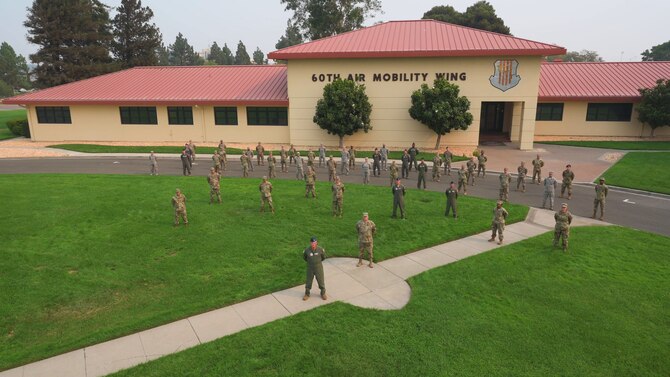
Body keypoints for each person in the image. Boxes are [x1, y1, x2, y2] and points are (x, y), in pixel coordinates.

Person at [303, 236, 327, 301]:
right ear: (310, 243)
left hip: (318, 268)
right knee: (308, 281)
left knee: (321, 280)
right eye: (312, 243)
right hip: (310, 268)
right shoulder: (307, 250)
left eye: (315, 243)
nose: (313, 244)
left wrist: (317, 262)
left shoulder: (320, 250)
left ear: (316, 243)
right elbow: (305, 258)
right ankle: (307, 294)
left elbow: (323, 257)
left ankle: (323, 293)